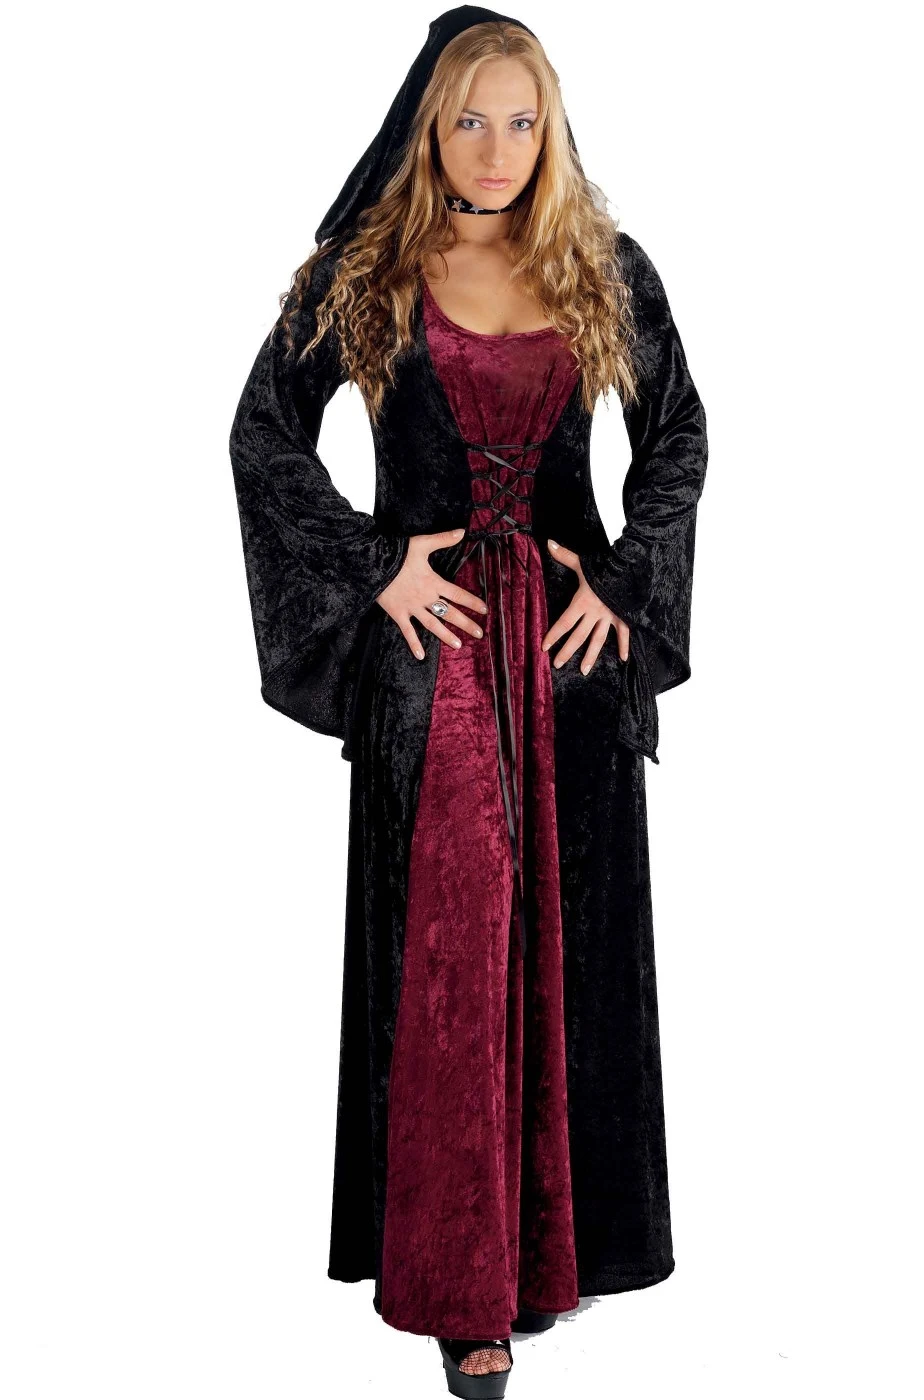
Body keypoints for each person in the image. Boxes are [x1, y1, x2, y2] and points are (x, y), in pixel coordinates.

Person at [228, 7, 708, 1395]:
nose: (497, 148)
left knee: (569, 944)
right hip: (432, 670)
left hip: (566, 668)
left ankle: (556, 1248)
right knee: (449, 967)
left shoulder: (604, 264)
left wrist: (624, 578)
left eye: (522, 120)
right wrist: (375, 565)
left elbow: (679, 434)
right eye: (470, 120)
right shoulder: (366, 272)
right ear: (427, 128)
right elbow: (264, 437)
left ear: (551, 130)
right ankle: (460, 1285)